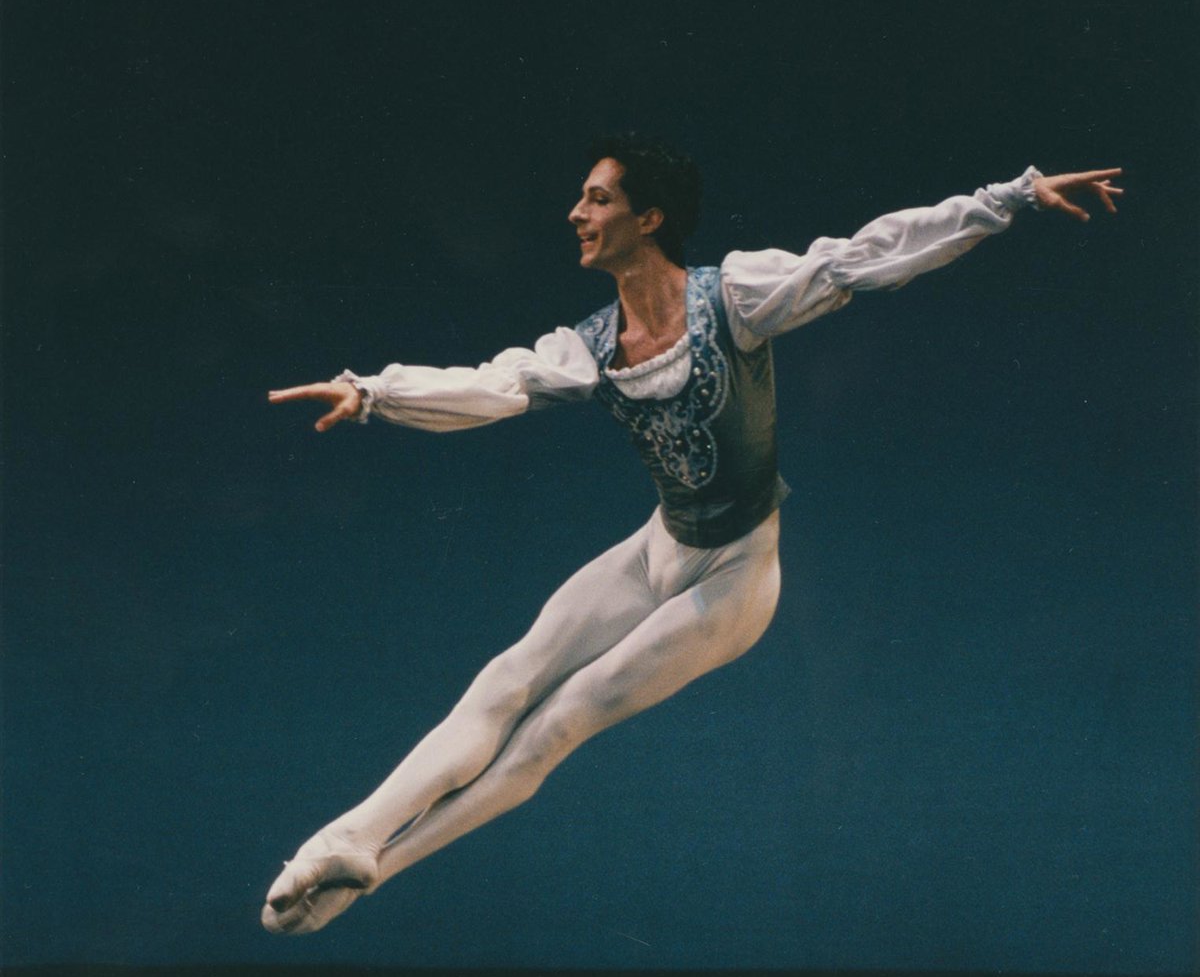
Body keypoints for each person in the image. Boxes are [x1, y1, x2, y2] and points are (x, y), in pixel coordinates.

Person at [261, 136, 1122, 935]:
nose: (577, 213)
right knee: (508, 678)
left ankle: (377, 871)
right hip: (658, 549)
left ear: (650, 218)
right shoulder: (592, 346)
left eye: (598, 199)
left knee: (558, 722)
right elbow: (496, 386)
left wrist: (1010, 197)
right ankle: (349, 839)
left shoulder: (734, 299)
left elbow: (860, 256)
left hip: (735, 580)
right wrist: (374, 394)